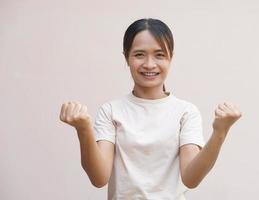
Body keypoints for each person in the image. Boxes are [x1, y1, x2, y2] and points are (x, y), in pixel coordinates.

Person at [59, 18, 242, 200]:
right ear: (126, 57)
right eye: (139, 54)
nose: (149, 64)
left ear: (171, 57)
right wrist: (83, 130)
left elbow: (191, 179)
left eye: (159, 55)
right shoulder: (111, 111)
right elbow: (99, 178)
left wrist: (220, 131)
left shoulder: (185, 112)